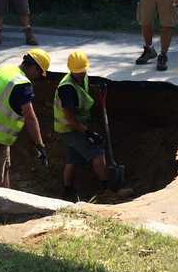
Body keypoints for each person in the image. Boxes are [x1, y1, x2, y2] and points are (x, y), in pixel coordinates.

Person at [53, 51, 133, 202]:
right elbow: (70, 119)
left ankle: (67, 189)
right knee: (97, 152)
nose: (81, 74)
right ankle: (108, 189)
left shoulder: (80, 77)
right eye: (78, 72)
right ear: (71, 70)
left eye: (83, 71)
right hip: (69, 129)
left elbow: (82, 90)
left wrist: (95, 89)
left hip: (75, 126)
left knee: (73, 158)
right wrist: (88, 133)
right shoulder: (67, 89)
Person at [0, 48, 51, 187]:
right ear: (32, 67)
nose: (38, 77)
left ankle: (4, 203)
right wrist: (39, 145)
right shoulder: (22, 85)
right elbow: (30, 118)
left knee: (4, 171)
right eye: (39, 72)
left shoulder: (4, 69)